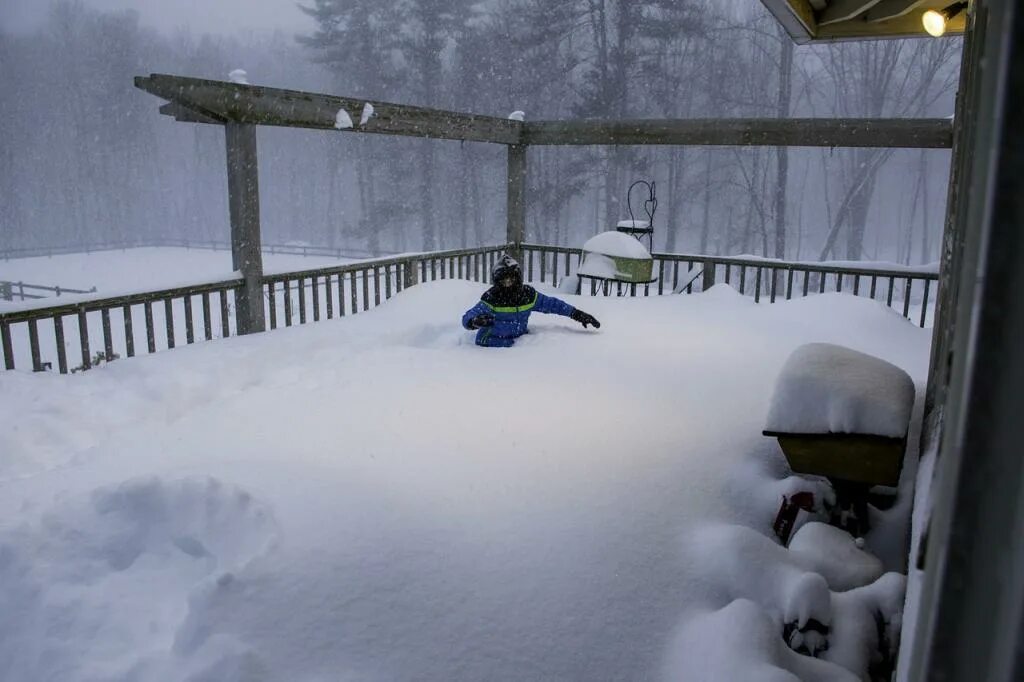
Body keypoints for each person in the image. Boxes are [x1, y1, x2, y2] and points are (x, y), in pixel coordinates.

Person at [462, 253, 600, 347]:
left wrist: (576, 314)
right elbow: (468, 316)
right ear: (498, 281)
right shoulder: (492, 298)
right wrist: (473, 322)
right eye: (504, 280)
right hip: (490, 343)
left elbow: (552, 304)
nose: (508, 283)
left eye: (512, 279)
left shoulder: (527, 295)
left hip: (519, 341)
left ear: (518, 278)